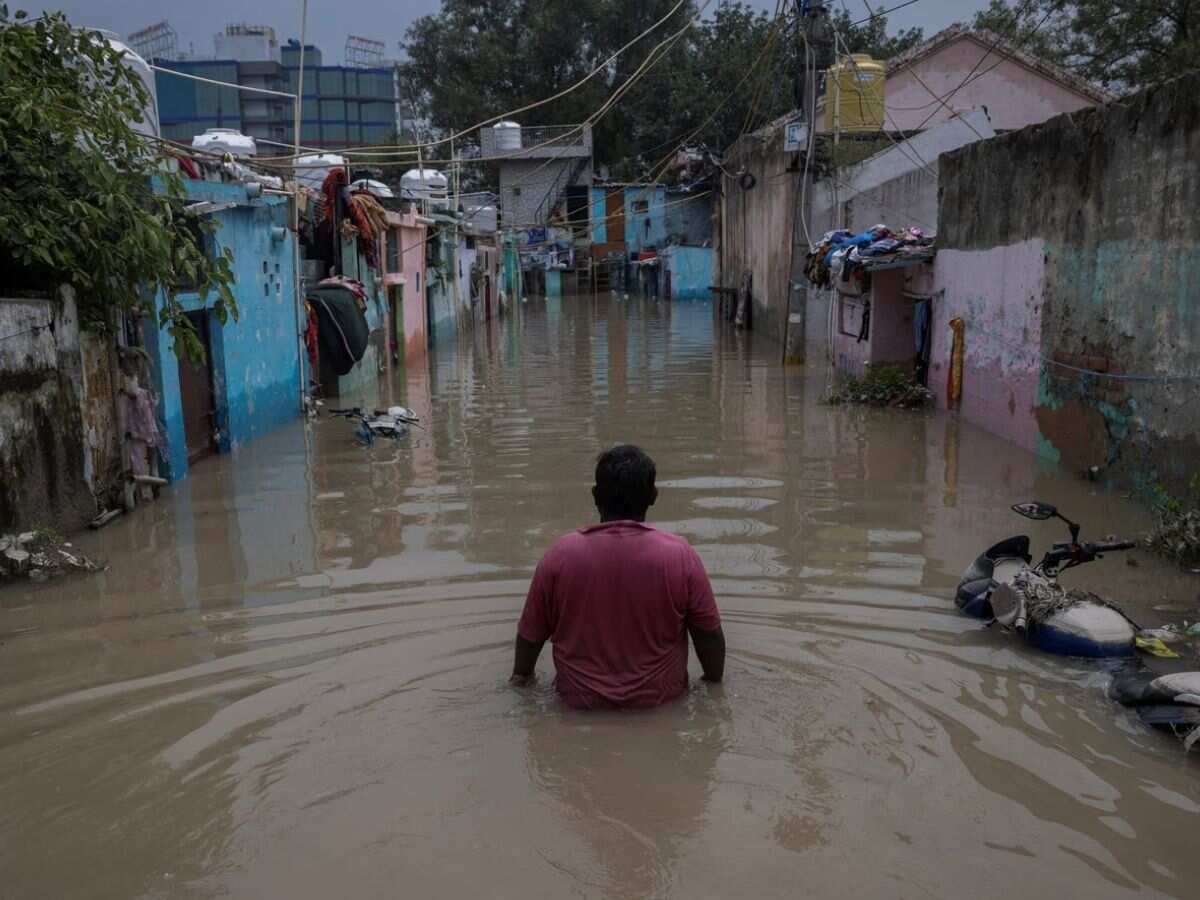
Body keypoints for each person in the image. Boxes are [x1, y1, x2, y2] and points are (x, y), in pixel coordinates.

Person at [511, 445, 725, 709]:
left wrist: (522, 679)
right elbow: (709, 637)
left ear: (595, 495)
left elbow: (529, 640)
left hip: (579, 709)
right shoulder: (680, 556)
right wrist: (713, 685)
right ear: (653, 496)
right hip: (657, 708)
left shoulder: (559, 556)